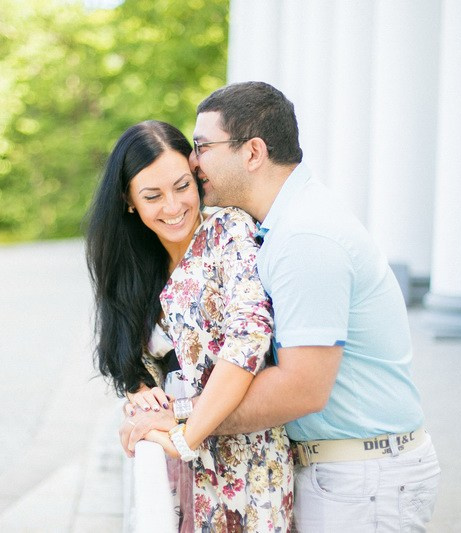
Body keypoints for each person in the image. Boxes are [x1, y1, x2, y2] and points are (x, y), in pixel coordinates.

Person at [121, 82, 441, 532]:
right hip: (345, 473)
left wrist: (181, 416)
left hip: (363, 481)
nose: (193, 162)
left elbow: (301, 388)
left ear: (252, 152)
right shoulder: (282, 227)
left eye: (203, 146)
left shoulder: (305, 237)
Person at [85, 120, 293, 532]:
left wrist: (183, 433)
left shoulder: (228, 230)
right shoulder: (133, 265)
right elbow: (130, 357)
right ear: (129, 200)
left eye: (183, 186)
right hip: (173, 462)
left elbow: (249, 336)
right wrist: (143, 393)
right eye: (152, 196)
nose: (174, 206)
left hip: (245, 458)